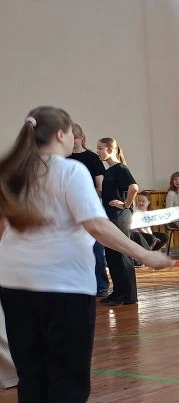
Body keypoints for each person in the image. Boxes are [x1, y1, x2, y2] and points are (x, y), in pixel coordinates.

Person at [0, 106, 173, 403]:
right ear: (61, 134)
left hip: (15, 282)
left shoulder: (14, 171)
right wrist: (145, 254)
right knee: (67, 362)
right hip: (62, 283)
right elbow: (96, 225)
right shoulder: (69, 171)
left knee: (30, 364)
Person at [96, 137, 140, 306]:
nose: (98, 151)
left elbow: (134, 187)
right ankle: (118, 292)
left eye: (100, 148)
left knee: (121, 253)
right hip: (110, 215)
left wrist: (126, 204)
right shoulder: (109, 171)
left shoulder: (121, 168)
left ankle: (129, 294)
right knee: (112, 254)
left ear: (110, 149)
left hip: (119, 216)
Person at [67, 124, 108, 297]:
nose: (73, 141)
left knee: (96, 246)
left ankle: (101, 284)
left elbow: (100, 186)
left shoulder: (92, 157)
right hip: (68, 208)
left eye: (75, 137)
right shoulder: (64, 157)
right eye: (70, 138)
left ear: (82, 137)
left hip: (88, 205)